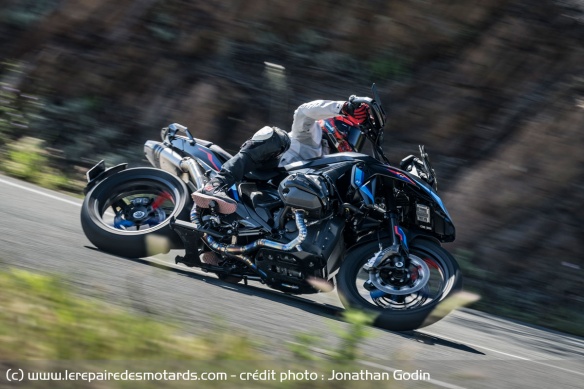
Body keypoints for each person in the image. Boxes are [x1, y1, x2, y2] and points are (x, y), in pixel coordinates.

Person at [192, 97, 370, 215]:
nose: (351, 141)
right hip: (263, 168)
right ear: (337, 125)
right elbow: (304, 111)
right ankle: (215, 185)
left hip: (279, 194)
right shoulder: (312, 135)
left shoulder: (335, 162)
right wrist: (344, 107)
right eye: (350, 133)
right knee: (276, 136)